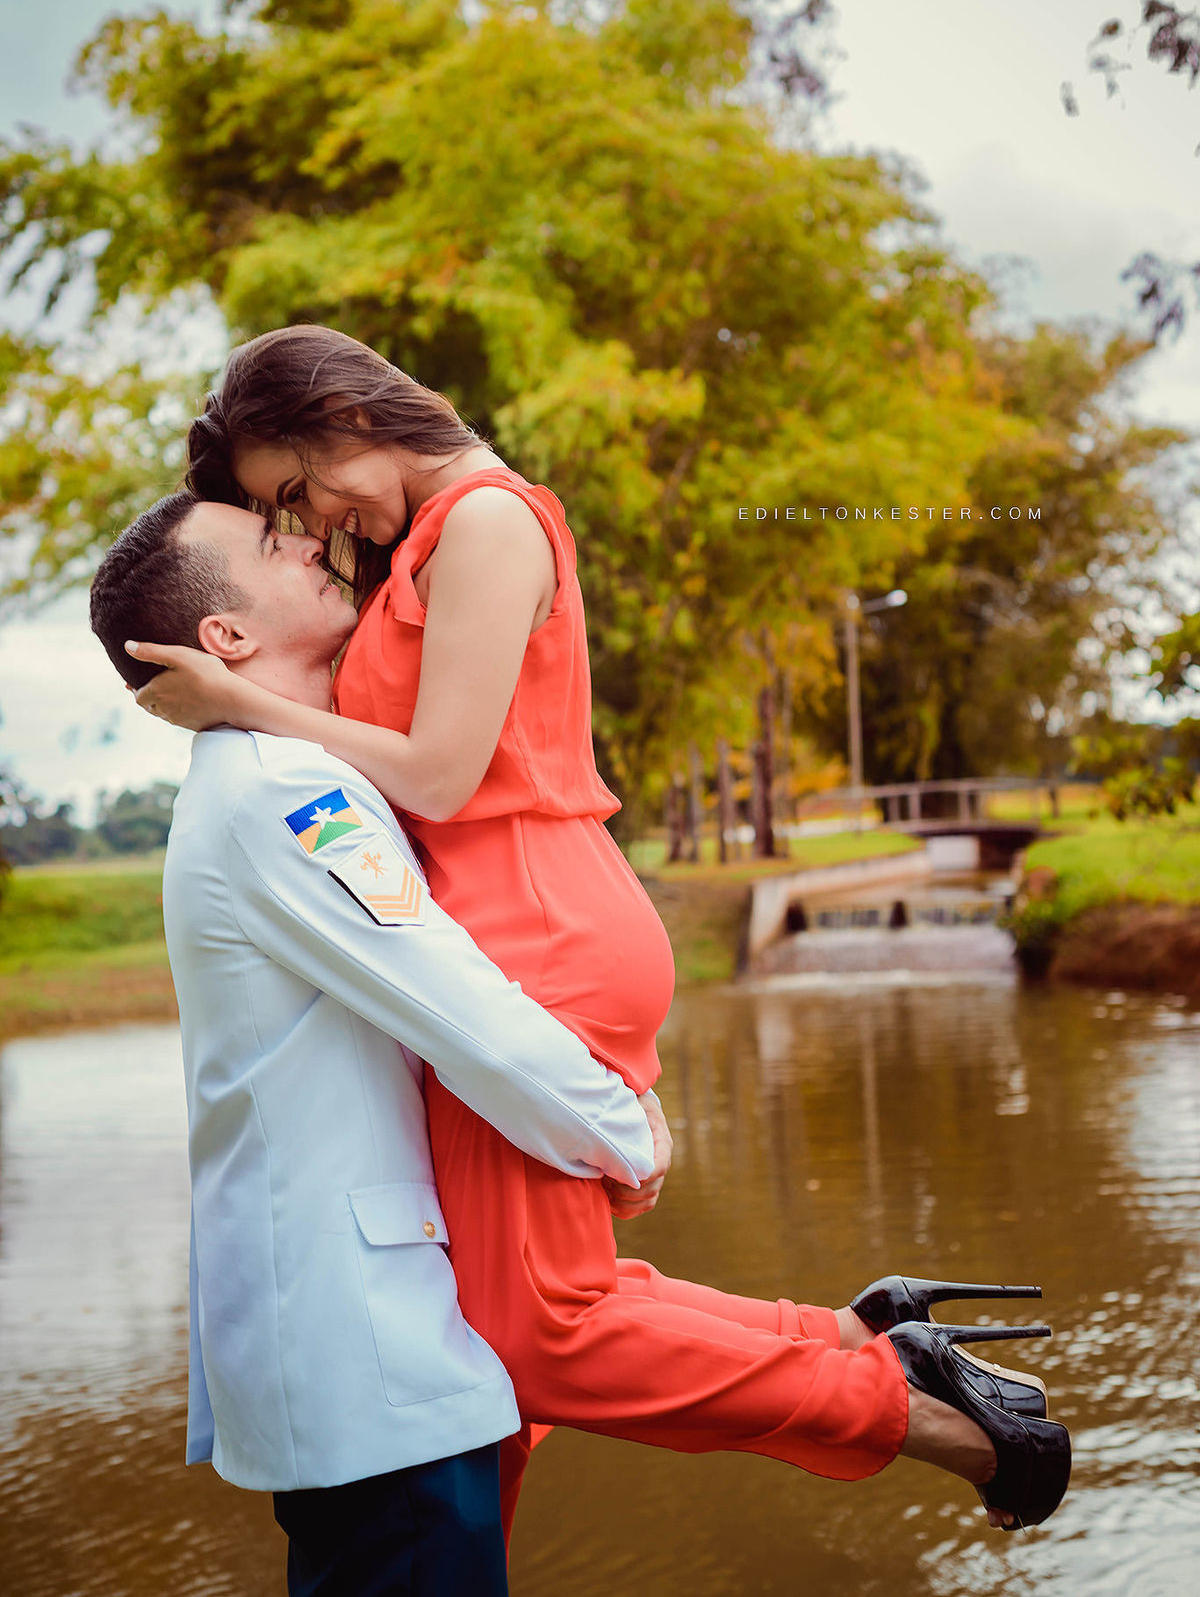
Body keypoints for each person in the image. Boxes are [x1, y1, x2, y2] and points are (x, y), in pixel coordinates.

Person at [128, 325, 1070, 1537]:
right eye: (282, 515)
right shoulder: (422, 537)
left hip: (535, 922)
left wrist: (235, 701)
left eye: (299, 490)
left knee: (538, 1336)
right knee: (528, 1308)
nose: (314, 524)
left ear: (345, 414)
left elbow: (446, 774)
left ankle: (900, 1400)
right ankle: (863, 1341)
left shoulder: (485, 521)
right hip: (517, 914)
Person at [89, 491, 667, 1597]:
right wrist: (622, 1132)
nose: (313, 538)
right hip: (370, 1357)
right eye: (273, 540)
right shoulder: (285, 794)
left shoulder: (284, 776)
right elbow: (464, 1014)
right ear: (227, 637)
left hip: (364, 1345)